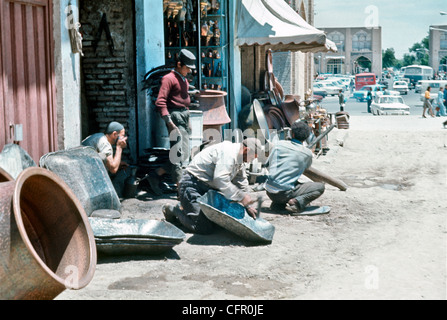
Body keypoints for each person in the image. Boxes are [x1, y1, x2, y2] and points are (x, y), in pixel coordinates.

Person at [162, 138, 263, 234]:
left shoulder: (240, 158)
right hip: (192, 186)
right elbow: (220, 180)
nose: (252, 160)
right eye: (253, 157)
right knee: (203, 227)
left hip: (207, 190)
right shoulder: (229, 153)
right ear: (247, 149)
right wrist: (241, 197)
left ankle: (188, 210)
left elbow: (241, 180)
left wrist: (248, 204)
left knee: (218, 222)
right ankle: (174, 210)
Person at [151, 49, 197, 195]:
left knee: (183, 154)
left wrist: (188, 119)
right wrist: (169, 122)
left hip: (183, 116)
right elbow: (160, 101)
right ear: (178, 64)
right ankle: (180, 192)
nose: (189, 71)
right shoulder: (168, 78)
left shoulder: (184, 79)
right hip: (174, 117)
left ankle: (155, 175)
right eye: (187, 67)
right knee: (177, 155)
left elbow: (185, 101)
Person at [265, 121, 325, 215]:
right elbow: (305, 168)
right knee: (320, 187)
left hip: (269, 191)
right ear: (306, 137)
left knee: (289, 181)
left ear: (292, 134)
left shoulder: (278, 145)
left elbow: (268, 164)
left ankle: (278, 204)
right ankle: (296, 203)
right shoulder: (307, 153)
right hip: (284, 193)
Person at [82, 121, 128, 196]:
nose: (124, 139)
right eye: (122, 136)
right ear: (114, 134)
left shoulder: (99, 136)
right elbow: (113, 169)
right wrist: (119, 147)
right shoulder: (105, 143)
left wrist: (119, 163)